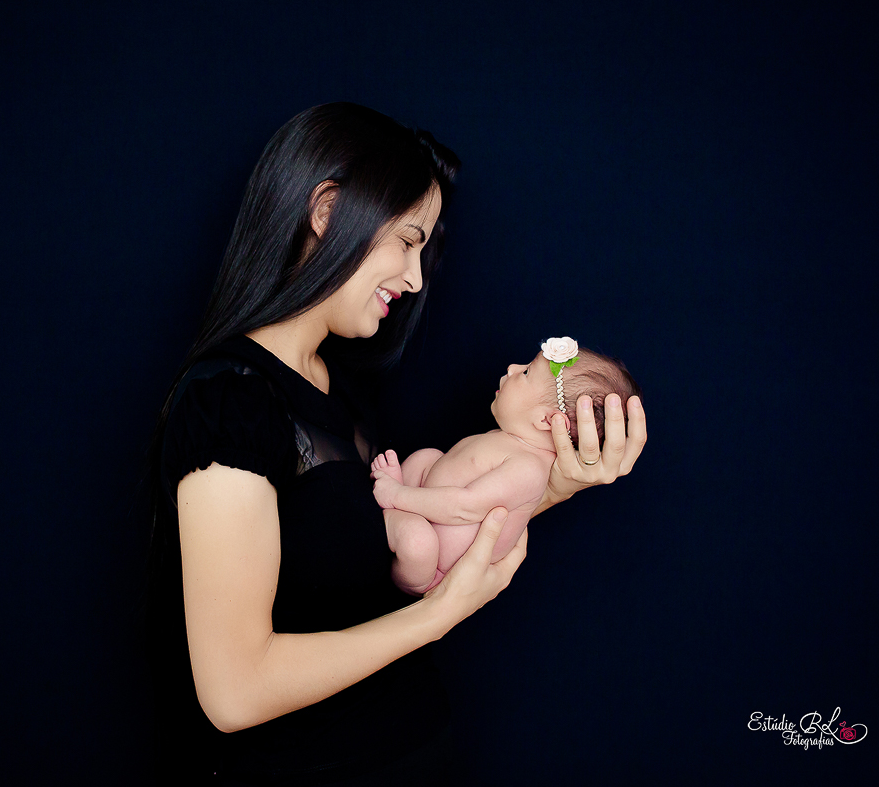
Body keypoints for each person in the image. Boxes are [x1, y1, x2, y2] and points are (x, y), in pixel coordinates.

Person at [145, 104, 647, 784]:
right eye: (408, 242)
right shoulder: (230, 403)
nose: (415, 279)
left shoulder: (343, 391)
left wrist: (557, 482)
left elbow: (428, 539)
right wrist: (435, 618)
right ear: (327, 212)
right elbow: (235, 694)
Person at [371, 337, 642, 595]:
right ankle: (394, 507)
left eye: (526, 372)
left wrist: (398, 495)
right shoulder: (513, 441)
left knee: (418, 542)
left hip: (432, 562)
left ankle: (391, 508)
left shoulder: (528, 469)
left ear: (546, 420)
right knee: (428, 457)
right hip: (427, 507)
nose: (513, 367)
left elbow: (466, 506)